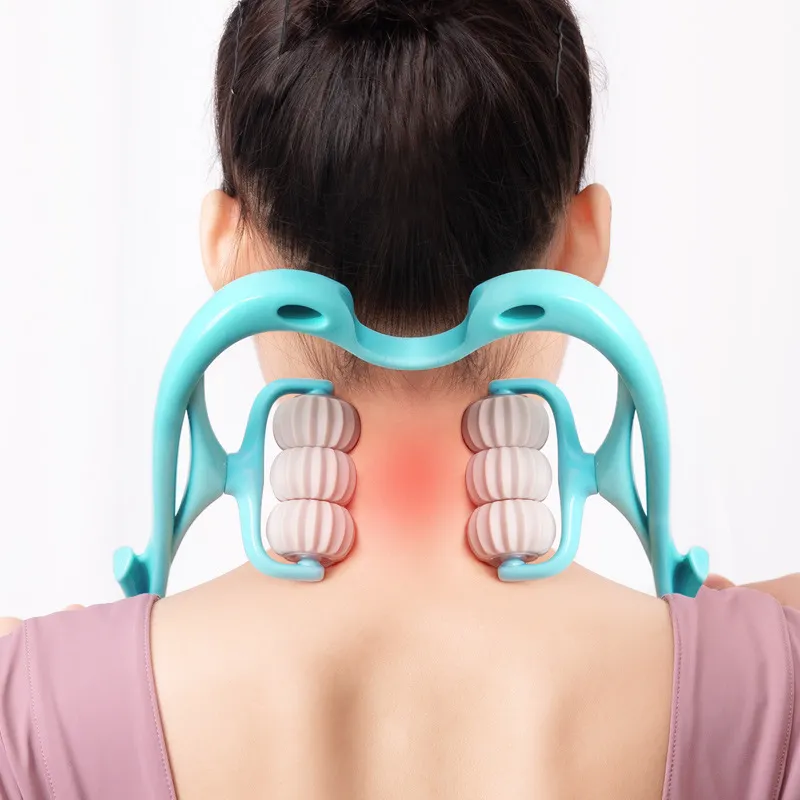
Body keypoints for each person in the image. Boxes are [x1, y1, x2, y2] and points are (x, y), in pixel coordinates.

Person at [1, 1, 799, 798]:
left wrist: (53, 690)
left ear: (226, 245)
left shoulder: (33, 704)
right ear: (583, 242)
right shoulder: (771, 679)